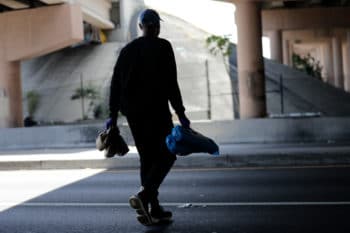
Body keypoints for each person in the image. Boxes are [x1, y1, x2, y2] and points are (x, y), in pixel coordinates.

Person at [108, 9, 190, 226]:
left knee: (147, 158)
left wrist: (112, 118)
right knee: (168, 153)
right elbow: (172, 83)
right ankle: (145, 196)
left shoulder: (127, 51)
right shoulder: (163, 47)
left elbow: (115, 85)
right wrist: (181, 114)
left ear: (141, 26)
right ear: (157, 27)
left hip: (134, 116)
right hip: (157, 112)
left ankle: (153, 209)